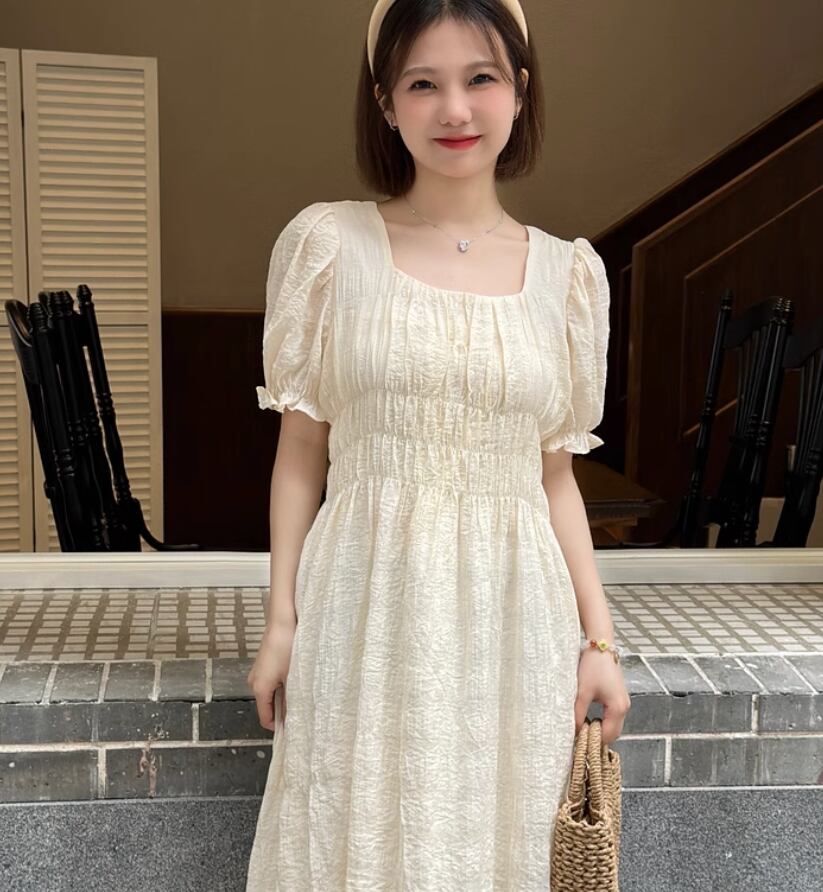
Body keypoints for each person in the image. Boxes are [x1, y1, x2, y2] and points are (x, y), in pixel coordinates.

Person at [245, 0, 631, 888]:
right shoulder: (328, 246)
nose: (454, 109)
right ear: (386, 103)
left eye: (480, 78)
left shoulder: (568, 277)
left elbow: (555, 478)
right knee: (353, 836)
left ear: (519, 91)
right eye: (423, 84)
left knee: (497, 842)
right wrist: (282, 622)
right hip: (363, 609)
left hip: (515, 620)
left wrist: (599, 643)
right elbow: (301, 452)